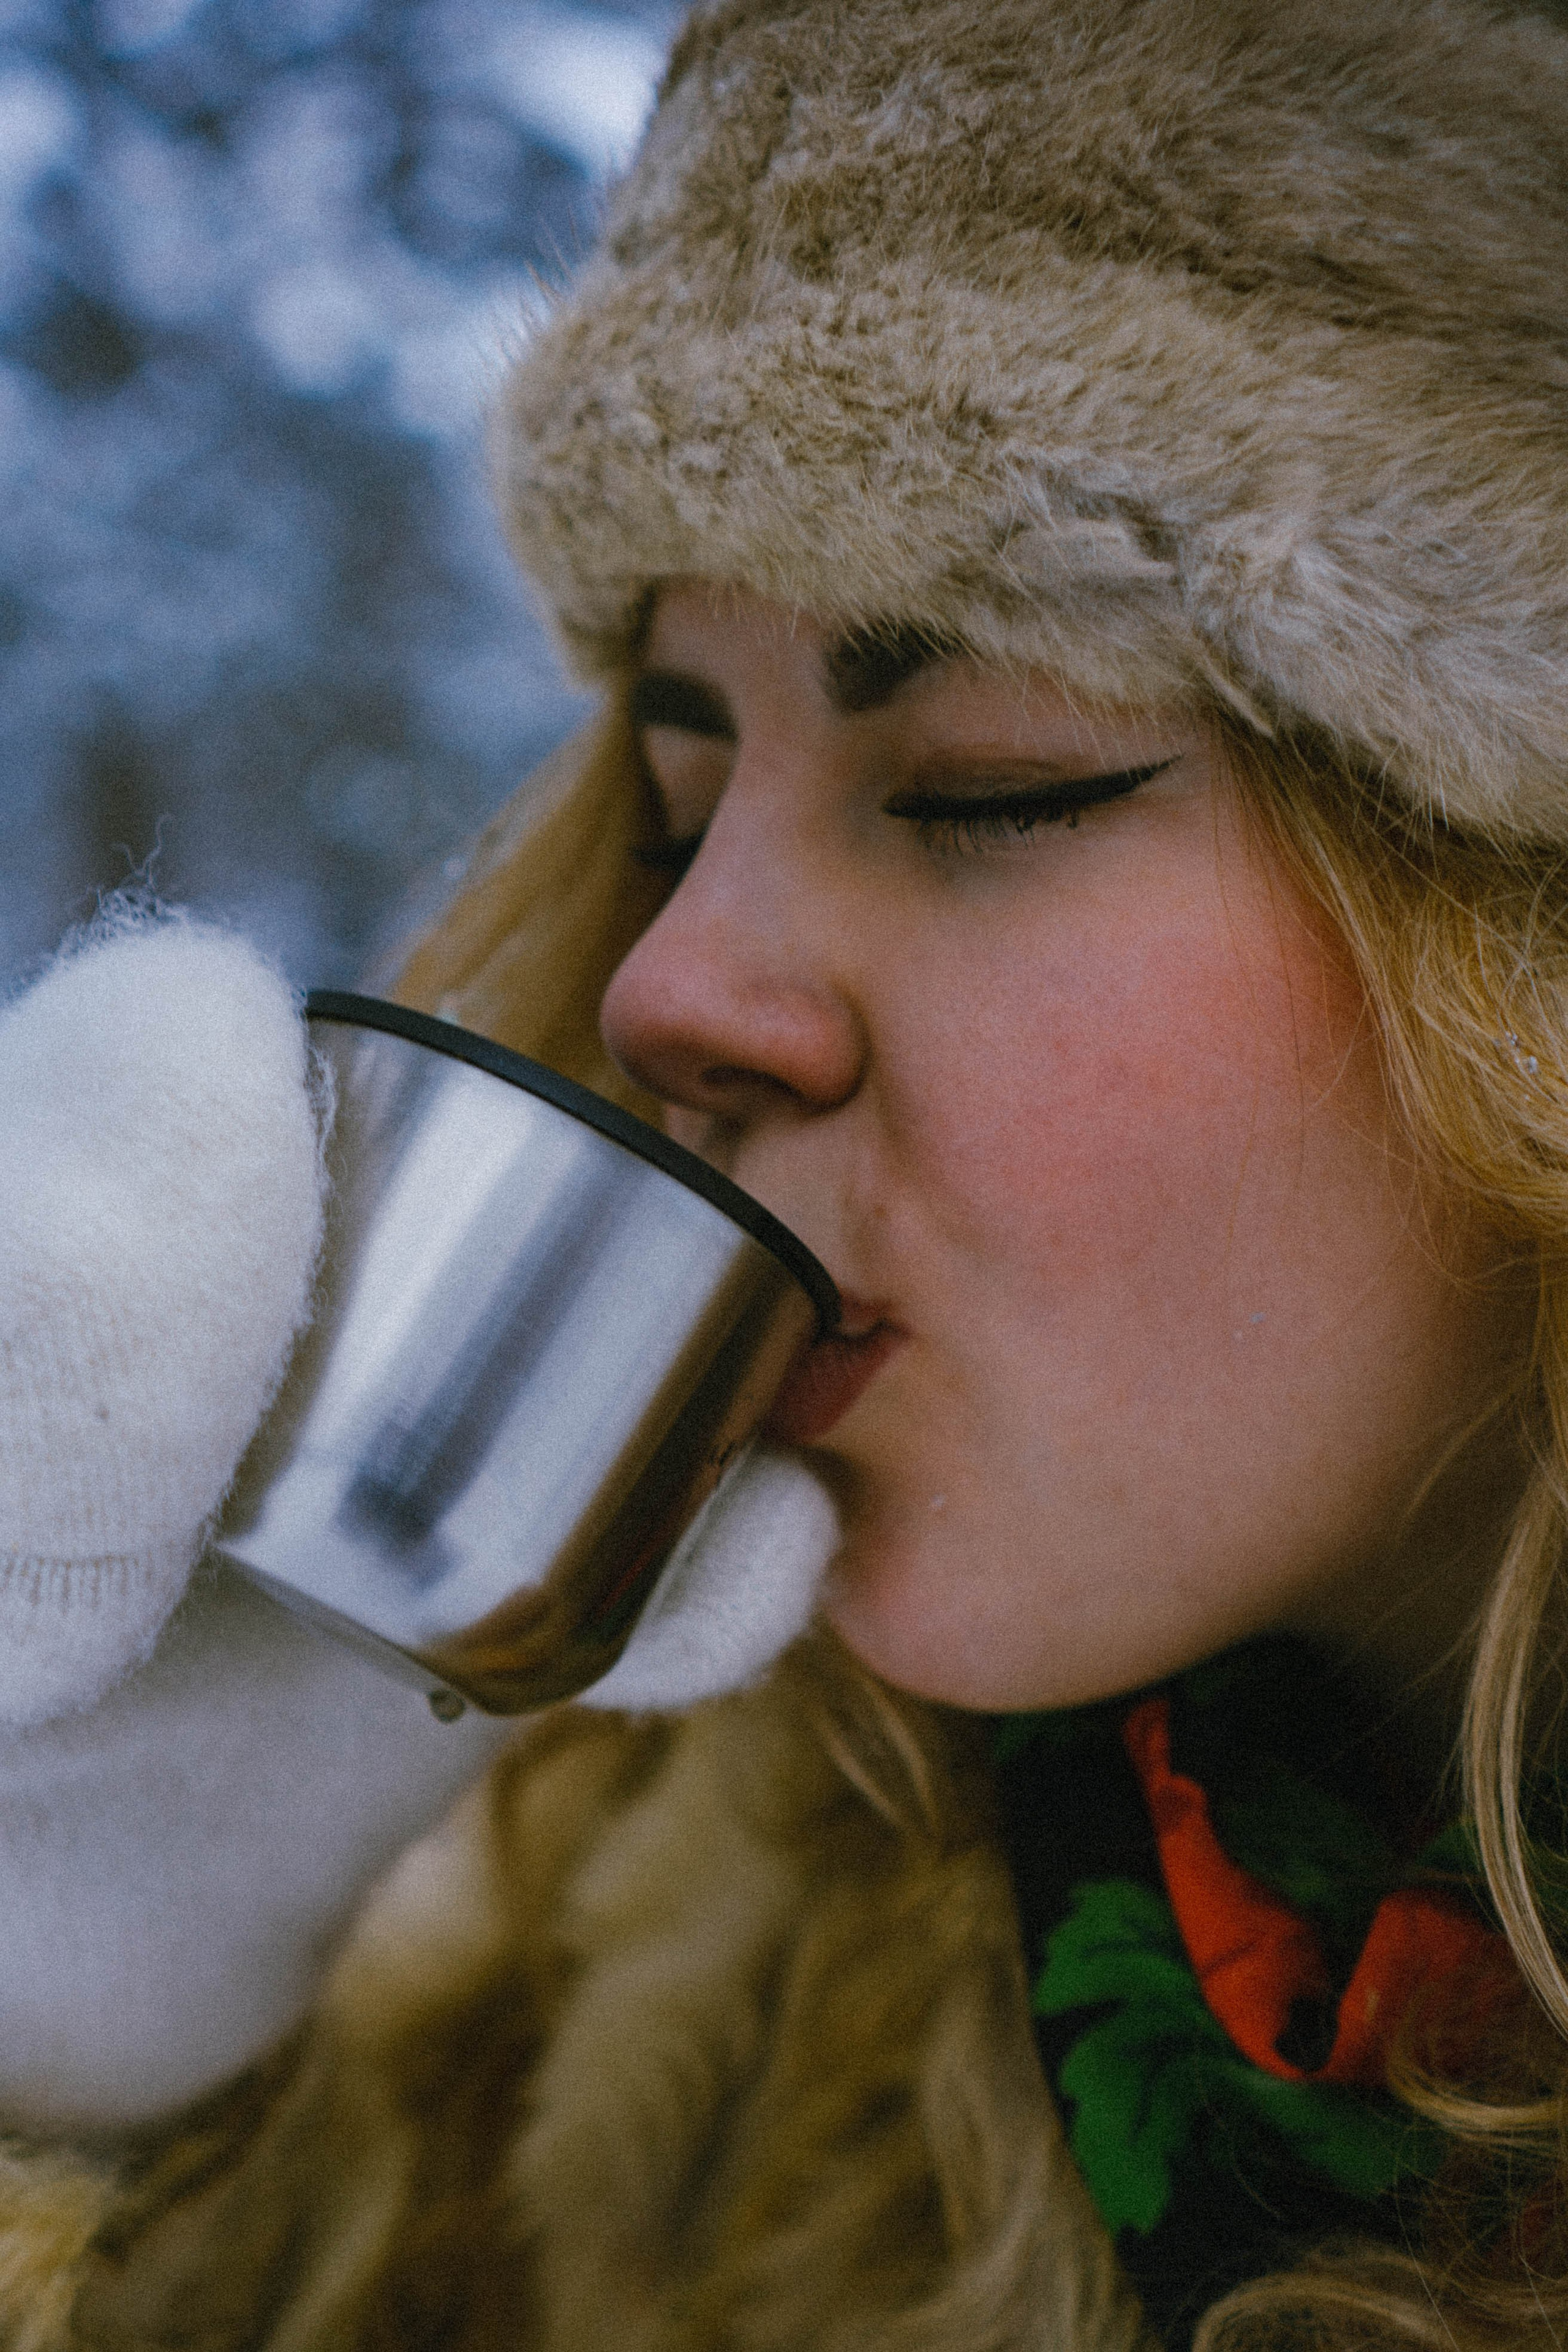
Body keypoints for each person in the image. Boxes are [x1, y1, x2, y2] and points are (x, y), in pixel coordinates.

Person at [4, 0, 1568, 2343]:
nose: (668, 988)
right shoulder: (614, 2008)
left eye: (991, 785)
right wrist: (75, 2035)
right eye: (669, 806)